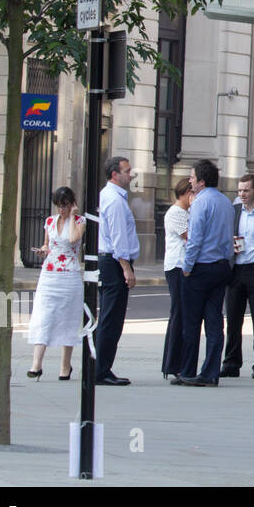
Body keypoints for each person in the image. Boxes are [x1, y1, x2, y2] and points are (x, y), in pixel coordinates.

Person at [175, 159, 234, 386]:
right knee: (214, 321)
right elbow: (229, 238)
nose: (190, 181)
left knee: (191, 322)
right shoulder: (226, 203)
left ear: (201, 181)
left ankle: (188, 371)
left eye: (192, 177)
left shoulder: (200, 203)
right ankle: (210, 372)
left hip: (200, 267)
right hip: (221, 266)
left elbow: (195, 239)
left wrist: (187, 267)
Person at [25, 187, 85, 380]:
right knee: (44, 316)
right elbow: (48, 244)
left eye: (65, 206)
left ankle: (65, 367)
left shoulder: (79, 222)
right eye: (59, 207)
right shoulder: (49, 221)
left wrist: (73, 216)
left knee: (68, 319)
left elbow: (73, 239)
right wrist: (43, 250)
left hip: (69, 275)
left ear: (72, 204)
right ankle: (36, 364)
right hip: (49, 275)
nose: (62, 210)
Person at [222, 174, 254, 378]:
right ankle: (231, 364)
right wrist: (229, 244)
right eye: (240, 190)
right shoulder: (233, 212)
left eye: (246, 190)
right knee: (233, 320)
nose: (242, 194)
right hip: (236, 270)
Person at [96, 156, 138, 386]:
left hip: (112, 261)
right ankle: (101, 369)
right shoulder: (114, 200)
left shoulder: (111, 196)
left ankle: (101, 367)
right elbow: (118, 236)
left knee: (110, 317)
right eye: (127, 171)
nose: (130, 175)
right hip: (114, 262)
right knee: (111, 318)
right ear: (115, 174)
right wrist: (126, 267)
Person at [161, 178, 194, 380]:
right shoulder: (176, 213)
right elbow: (189, 236)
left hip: (182, 265)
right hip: (177, 265)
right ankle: (173, 363)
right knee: (179, 313)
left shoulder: (186, 212)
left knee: (181, 313)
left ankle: (175, 362)